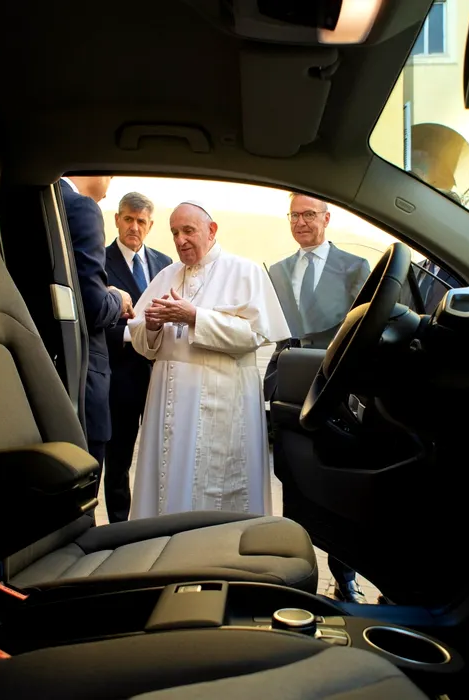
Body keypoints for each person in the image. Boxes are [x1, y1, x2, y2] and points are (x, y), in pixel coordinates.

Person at [128, 201, 290, 519]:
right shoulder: (167, 275)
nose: (180, 240)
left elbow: (254, 334)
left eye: (188, 231)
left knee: (214, 489)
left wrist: (195, 317)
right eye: (174, 232)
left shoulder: (244, 271)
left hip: (222, 401)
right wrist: (152, 326)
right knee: (166, 484)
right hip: (166, 404)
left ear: (212, 230)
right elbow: (141, 339)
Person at [263, 193, 371, 603]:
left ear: (327, 218)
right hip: (292, 386)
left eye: (309, 214)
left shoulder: (355, 267)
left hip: (337, 389)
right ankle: (296, 574)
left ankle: (345, 577)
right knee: (294, 480)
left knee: (341, 485)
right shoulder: (276, 271)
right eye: (294, 215)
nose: (301, 222)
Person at [103, 192, 173, 523]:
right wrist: (133, 334)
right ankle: (119, 526)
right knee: (118, 458)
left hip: (160, 374)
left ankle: (157, 521)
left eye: (141, 221)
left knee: (161, 454)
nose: (134, 227)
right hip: (121, 375)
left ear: (150, 225)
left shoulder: (165, 263)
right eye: (128, 219)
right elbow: (93, 322)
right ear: (117, 219)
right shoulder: (99, 262)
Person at [60, 174, 134, 474]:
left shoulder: (35, 206)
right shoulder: (82, 208)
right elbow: (94, 308)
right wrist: (117, 297)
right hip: (81, 384)